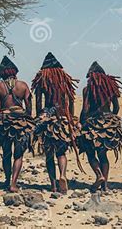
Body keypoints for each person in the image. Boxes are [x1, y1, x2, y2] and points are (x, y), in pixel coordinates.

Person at [31, 52, 81, 194]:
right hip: (63, 117)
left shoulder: (42, 78)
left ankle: (53, 185)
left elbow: (39, 101)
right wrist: (70, 116)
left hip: (48, 116)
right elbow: (71, 99)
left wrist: (40, 115)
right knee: (61, 152)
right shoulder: (64, 78)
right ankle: (63, 175)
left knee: (49, 154)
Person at [78, 61, 122, 192]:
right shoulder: (110, 88)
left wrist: (82, 123)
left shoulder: (87, 90)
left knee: (90, 152)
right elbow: (116, 107)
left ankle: (99, 175)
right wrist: (111, 119)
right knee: (103, 155)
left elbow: (86, 109)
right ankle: (105, 186)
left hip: (92, 123)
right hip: (109, 122)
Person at [0, 56, 34, 193]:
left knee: (6, 153)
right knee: (18, 155)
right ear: (14, 71)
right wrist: (27, 119)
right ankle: (14, 183)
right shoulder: (23, 85)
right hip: (21, 122)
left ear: (2, 73)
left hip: (4, 122)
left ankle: (7, 179)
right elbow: (29, 106)